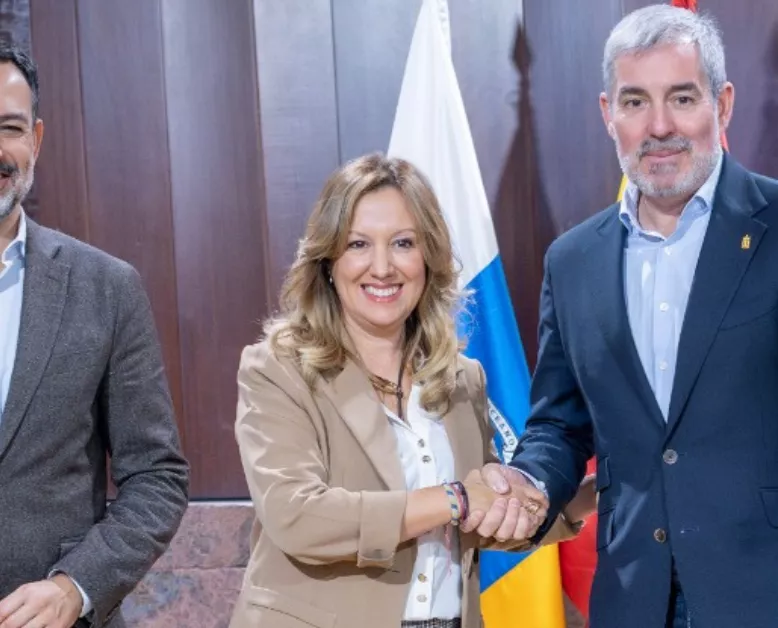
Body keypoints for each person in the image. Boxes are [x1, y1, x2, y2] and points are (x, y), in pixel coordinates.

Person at [472, 6, 778, 627]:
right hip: (632, 605)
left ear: (722, 106)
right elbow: (559, 428)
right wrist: (531, 480)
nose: (661, 125)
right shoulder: (572, 261)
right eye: (635, 102)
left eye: (682, 97)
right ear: (607, 114)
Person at [229, 154, 594, 628]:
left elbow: (482, 516)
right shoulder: (277, 369)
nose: (382, 267)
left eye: (403, 243)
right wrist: (456, 498)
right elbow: (297, 517)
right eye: (358, 244)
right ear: (328, 261)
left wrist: (594, 495)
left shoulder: (461, 378)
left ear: (428, 257)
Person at [0, 44, 189, 628]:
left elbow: (158, 477)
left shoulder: (105, 288)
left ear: (36, 139)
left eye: (7, 127)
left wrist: (73, 588)